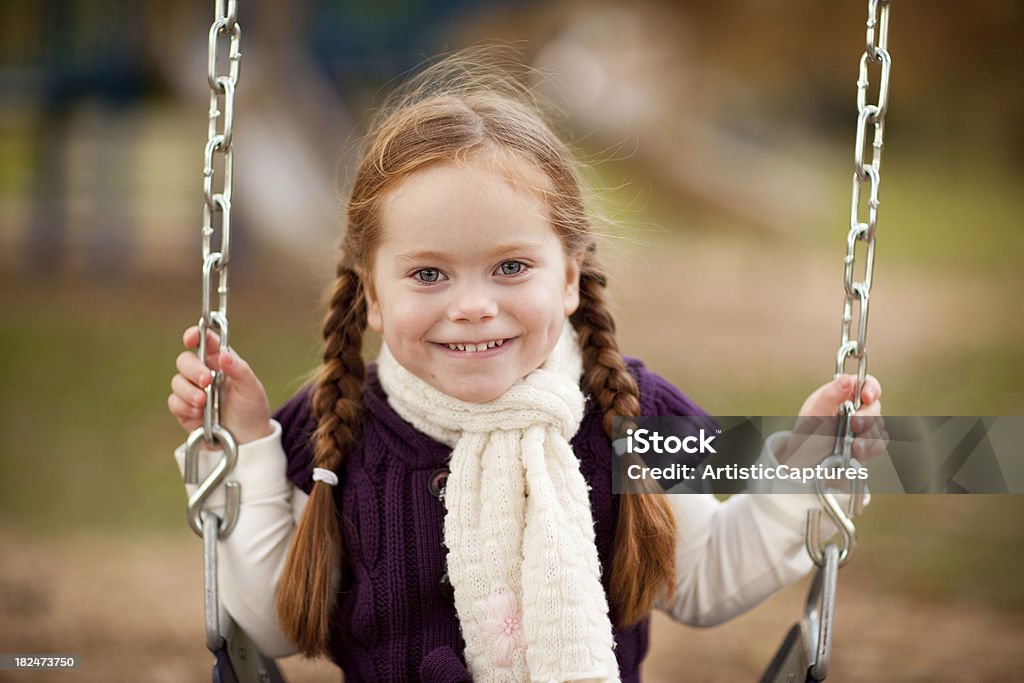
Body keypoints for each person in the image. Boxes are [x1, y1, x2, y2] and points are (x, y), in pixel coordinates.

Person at [168, 52, 886, 682]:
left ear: (570, 278)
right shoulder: (332, 426)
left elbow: (704, 578)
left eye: (511, 266)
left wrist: (807, 474)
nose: (474, 305)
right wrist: (247, 443)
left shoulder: (633, 413)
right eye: (428, 274)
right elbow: (270, 629)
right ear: (372, 295)